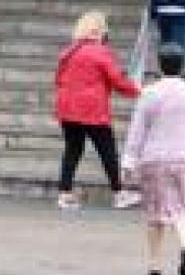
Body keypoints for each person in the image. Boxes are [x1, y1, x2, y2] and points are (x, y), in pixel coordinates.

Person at [121, 42, 185, 275]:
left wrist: (129, 161)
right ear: (182, 65)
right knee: (184, 208)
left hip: (154, 159)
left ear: (160, 64)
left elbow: (137, 131)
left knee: (155, 212)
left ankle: (155, 264)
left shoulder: (149, 93)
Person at [54, 11, 143, 210]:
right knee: (107, 150)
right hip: (92, 109)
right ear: (100, 31)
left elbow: (58, 79)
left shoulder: (69, 51)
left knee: (73, 149)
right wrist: (138, 91)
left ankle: (64, 193)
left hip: (67, 107)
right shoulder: (100, 51)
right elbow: (117, 79)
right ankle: (119, 193)